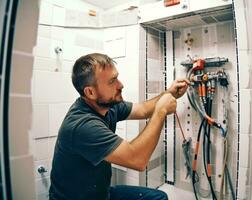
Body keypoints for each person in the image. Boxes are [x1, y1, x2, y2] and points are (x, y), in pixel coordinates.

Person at [49, 53, 189, 200]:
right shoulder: (82, 126)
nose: (121, 85)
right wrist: (161, 110)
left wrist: (170, 93)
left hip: (101, 194)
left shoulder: (107, 106)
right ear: (90, 92)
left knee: (158, 198)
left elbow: (143, 109)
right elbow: (138, 160)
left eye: (117, 77)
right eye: (112, 81)